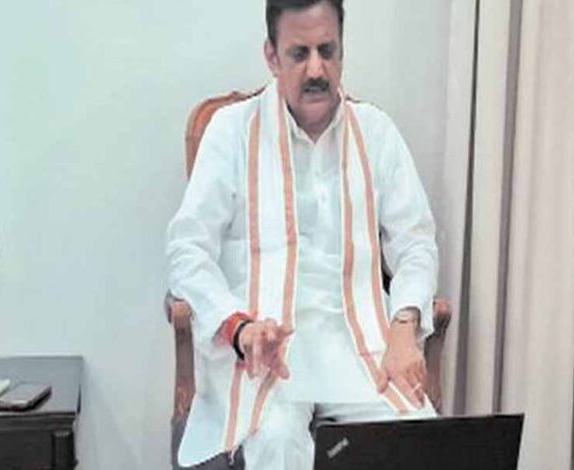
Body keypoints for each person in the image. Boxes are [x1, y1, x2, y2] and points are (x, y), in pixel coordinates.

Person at [166, 0, 438, 468]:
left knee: (419, 435)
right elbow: (186, 251)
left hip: (361, 351)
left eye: (326, 50)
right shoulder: (231, 132)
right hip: (267, 358)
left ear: (342, 50)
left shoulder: (376, 133)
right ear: (272, 56)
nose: (316, 69)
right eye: (299, 53)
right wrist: (238, 327)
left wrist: (404, 325)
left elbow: (415, 244)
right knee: (276, 441)